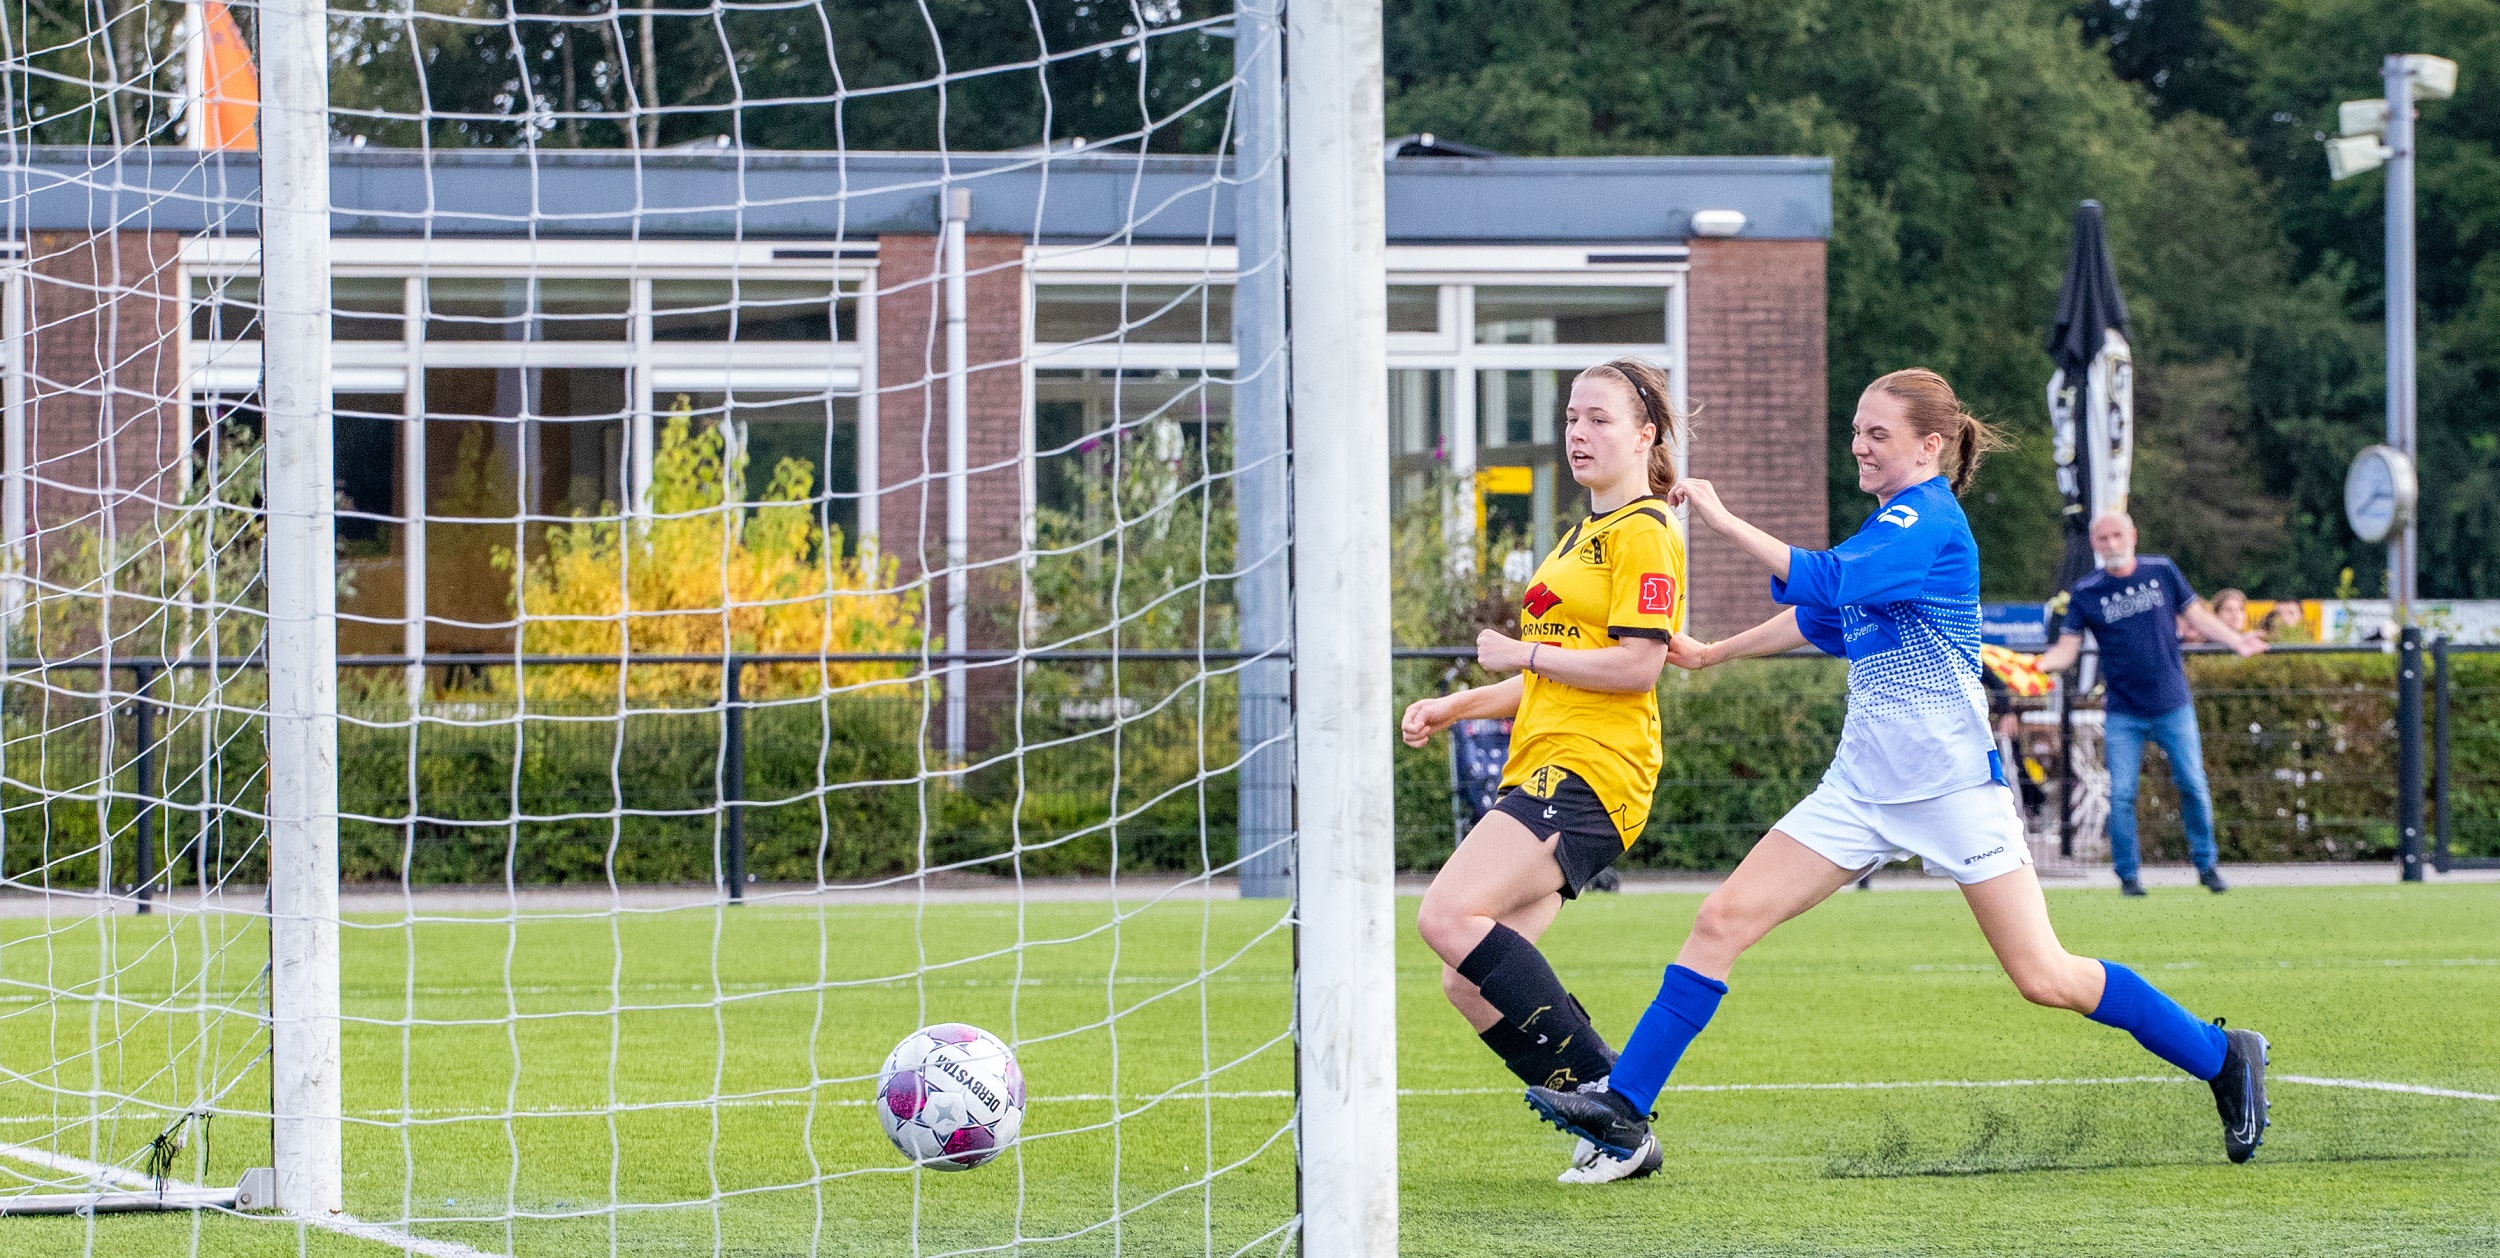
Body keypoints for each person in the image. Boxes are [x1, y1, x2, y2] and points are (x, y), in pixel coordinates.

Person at [1522, 368, 2270, 1179]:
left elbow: (1830, 580)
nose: (1859, 447)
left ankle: (2222, 1054)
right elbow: (1821, 618)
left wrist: (1719, 515)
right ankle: (1624, 1108)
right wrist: (1714, 652)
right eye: (1855, 431)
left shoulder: (1929, 518)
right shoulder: (1888, 525)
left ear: (1930, 445)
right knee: (1721, 920)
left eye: (1876, 434)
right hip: (1861, 790)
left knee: (2045, 976)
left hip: (1951, 791)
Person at [1400, 357, 1689, 1183]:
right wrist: (1456, 705)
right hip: (1549, 764)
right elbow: (1552, 674)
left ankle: (1617, 1100)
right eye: (1570, 417)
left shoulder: (1643, 531)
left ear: (1645, 436)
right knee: (1468, 983)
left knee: (1449, 914)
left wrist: (1520, 648)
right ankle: (1615, 1134)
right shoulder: (1581, 537)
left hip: (1594, 772)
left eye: (1599, 418)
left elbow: (1638, 668)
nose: (1578, 433)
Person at [2035, 514, 2265, 896]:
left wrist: (2236, 641)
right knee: (2122, 794)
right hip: (2123, 711)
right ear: (2094, 544)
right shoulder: (2086, 591)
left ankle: (2207, 867)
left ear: (2133, 536)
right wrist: (2032, 667)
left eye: (2116, 536)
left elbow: (2197, 617)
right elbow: (2066, 649)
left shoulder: (2162, 571)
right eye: (2103, 538)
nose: (2110, 544)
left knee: (2193, 784)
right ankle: (2128, 878)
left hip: (2173, 703)